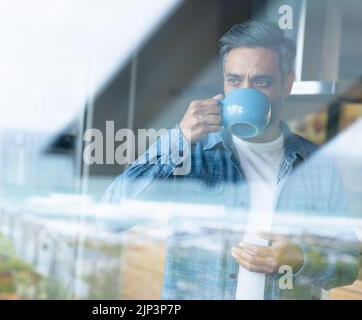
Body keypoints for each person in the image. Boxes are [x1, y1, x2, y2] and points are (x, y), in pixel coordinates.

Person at [99, 21, 360, 299]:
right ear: (224, 82)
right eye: (234, 80)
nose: (244, 92)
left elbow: (349, 263)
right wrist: (180, 138)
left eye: (261, 82)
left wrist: (301, 259)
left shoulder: (316, 164)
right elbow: (112, 217)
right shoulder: (191, 151)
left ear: (286, 84)